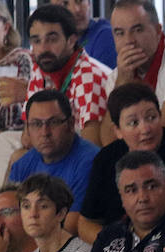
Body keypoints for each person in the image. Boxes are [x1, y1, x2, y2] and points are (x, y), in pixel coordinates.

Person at [79, 83, 165, 243]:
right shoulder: (106, 160)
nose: (145, 129)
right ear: (117, 130)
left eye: (151, 118)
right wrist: (122, 246)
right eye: (133, 123)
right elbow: (86, 224)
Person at [23, 6, 111, 147]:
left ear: (71, 41)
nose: (43, 48)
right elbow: (27, 138)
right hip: (56, 145)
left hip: (83, 154)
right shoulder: (40, 69)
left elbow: (92, 145)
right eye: (37, 41)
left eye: (52, 40)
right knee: (3, 142)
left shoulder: (89, 74)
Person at [104, 0, 165, 138]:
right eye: (120, 33)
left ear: (158, 31)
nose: (129, 40)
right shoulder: (116, 77)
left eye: (137, 30)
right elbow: (108, 140)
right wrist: (123, 81)